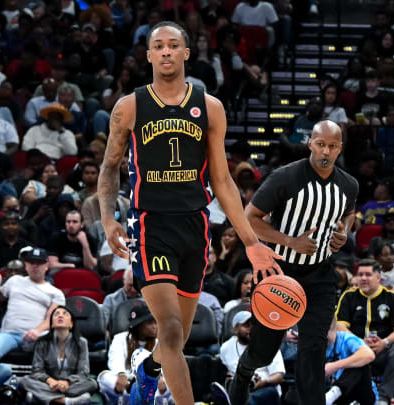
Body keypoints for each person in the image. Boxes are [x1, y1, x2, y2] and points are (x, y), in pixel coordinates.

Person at [98, 21, 280, 405]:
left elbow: (224, 181)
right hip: (150, 224)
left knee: (173, 337)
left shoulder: (209, 106)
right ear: (148, 55)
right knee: (171, 327)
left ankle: (147, 370)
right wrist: (108, 218)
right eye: (158, 46)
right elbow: (110, 165)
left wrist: (250, 242)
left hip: (195, 225)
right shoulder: (129, 106)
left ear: (186, 53)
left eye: (173, 45)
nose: (165, 51)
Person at [215, 121, 357, 405]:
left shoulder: (348, 185)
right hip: (278, 272)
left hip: (320, 276)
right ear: (310, 144)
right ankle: (242, 375)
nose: (325, 151)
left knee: (314, 348)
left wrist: (342, 233)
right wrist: (290, 241)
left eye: (332, 146)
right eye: (320, 144)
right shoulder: (285, 177)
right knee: (263, 352)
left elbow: (349, 214)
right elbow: (249, 218)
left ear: (339, 148)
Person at [336, 259, 394, 405]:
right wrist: (358, 342)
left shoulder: (393, 298)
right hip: (355, 351)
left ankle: (383, 398)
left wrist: (384, 342)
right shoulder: (348, 296)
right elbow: (340, 327)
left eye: (368, 275)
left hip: (381, 351)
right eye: (360, 275)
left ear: (378, 277)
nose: (363, 278)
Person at [0, 247, 65, 361]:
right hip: (9, 334)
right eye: (32, 262)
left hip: (37, 335)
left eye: (39, 263)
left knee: (52, 342)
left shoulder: (56, 293)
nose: (35, 266)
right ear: (26, 265)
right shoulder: (14, 280)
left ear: (46, 265)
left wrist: (37, 331)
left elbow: (51, 319)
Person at [19, 306, 98, 405]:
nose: (60, 315)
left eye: (65, 314)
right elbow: (36, 371)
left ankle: (40, 397)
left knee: (92, 383)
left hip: (70, 385)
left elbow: (83, 372)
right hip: (49, 384)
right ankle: (66, 401)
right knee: (25, 381)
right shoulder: (42, 342)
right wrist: (50, 381)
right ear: (51, 324)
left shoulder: (81, 343)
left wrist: (67, 382)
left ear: (71, 324)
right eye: (56, 314)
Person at [97, 304, 170, 405]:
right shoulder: (120, 338)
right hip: (127, 381)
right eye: (150, 323)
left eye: (155, 322)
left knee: (172, 380)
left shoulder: (159, 342)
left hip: (151, 382)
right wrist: (122, 374)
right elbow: (115, 359)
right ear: (138, 325)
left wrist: (159, 376)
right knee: (104, 376)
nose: (155, 326)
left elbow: (165, 365)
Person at [218, 311, 285, 405]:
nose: (251, 329)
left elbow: (279, 376)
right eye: (246, 325)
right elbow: (227, 371)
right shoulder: (226, 347)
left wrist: (263, 382)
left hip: (266, 388)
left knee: (247, 401)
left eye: (253, 325)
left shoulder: (268, 345)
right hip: (240, 388)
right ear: (235, 329)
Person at [323, 316, 377, 405]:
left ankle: (335, 392)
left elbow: (369, 354)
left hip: (356, 392)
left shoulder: (347, 338)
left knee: (360, 363)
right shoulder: (312, 341)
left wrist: (334, 366)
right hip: (325, 390)